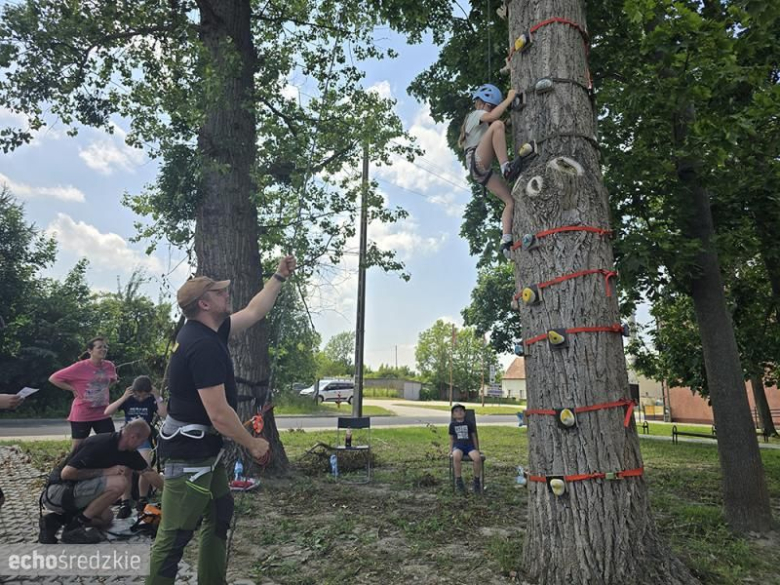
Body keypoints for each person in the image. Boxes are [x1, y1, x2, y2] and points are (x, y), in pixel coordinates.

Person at [146, 256, 296, 585]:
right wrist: (252, 443)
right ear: (204, 303)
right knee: (174, 535)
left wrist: (278, 277)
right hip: (189, 453)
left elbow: (255, 311)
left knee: (219, 512)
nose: (227, 295)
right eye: (219, 292)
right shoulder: (203, 345)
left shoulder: (210, 331)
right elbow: (219, 413)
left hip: (204, 450)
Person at [38, 418, 164, 544]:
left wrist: (171, 493)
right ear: (133, 437)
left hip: (78, 492)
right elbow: (66, 474)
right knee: (120, 482)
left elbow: (149, 473)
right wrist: (105, 472)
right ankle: (74, 528)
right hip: (58, 491)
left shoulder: (128, 452)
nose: (142, 444)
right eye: (143, 441)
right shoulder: (99, 444)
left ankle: (53, 521)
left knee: (106, 519)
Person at [458, 83, 530, 258]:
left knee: (510, 201)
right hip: (476, 160)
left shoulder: (481, 124)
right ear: (480, 103)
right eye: (489, 106)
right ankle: (506, 167)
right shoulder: (475, 114)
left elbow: (494, 128)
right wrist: (510, 98)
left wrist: (508, 123)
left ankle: (506, 241)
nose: (490, 110)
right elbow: (494, 118)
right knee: (497, 125)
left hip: (481, 170)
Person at [104, 375, 167, 518]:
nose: (141, 398)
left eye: (145, 395)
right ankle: (125, 501)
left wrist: (158, 397)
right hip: (127, 438)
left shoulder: (151, 399)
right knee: (125, 469)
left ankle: (142, 498)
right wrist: (123, 397)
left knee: (145, 467)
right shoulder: (129, 399)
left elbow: (164, 414)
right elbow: (107, 412)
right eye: (138, 395)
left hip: (143, 438)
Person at [49, 337, 117, 449]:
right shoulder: (80, 367)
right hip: (83, 413)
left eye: (105, 347)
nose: (103, 349)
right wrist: (73, 389)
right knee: (78, 448)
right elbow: (54, 378)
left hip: (103, 412)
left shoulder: (109, 366)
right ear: (90, 351)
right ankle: (72, 462)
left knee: (110, 444)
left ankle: (103, 461)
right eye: (99, 347)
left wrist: (102, 390)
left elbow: (113, 380)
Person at [449, 403, 483, 494]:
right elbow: (451, 438)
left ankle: (476, 481)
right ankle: (459, 480)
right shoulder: (452, 425)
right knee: (456, 456)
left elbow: (474, 437)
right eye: (456, 411)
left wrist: (477, 449)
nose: (459, 412)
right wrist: (450, 450)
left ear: (464, 413)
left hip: (469, 446)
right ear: (453, 415)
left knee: (477, 458)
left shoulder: (469, 423)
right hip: (458, 446)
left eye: (461, 410)